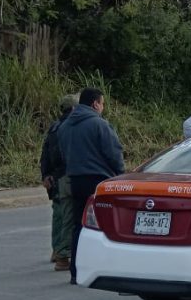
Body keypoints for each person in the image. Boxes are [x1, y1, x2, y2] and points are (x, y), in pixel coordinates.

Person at [58, 88, 125, 284]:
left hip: (75, 180)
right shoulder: (99, 124)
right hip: (99, 182)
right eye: (102, 103)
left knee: (79, 226)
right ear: (95, 104)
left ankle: (76, 271)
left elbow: (62, 154)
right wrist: (121, 176)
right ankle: (108, 269)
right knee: (106, 226)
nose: (103, 107)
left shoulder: (65, 126)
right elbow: (114, 153)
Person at [38, 93, 78, 271]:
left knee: (58, 214)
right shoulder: (72, 127)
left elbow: (45, 154)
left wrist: (45, 175)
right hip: (65, 176)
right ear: (75, 108)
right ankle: (63, 253)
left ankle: (56, 250)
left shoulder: (54, 127)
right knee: (68, 215)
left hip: (53, 177)